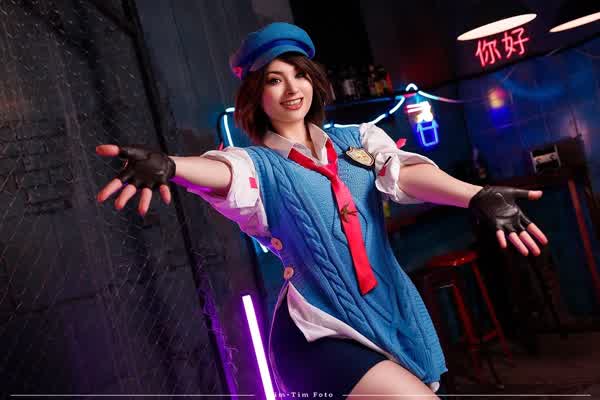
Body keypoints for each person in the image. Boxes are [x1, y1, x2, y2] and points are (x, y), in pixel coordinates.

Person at [95, 22, 548, 400]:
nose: (292, 88)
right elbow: (223, 174)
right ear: (256, 94)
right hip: (317, 332)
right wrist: (173, 167)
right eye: (274, 79)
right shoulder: (257, 165)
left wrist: (475, 194)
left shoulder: (359, 140)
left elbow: (404, 174)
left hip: (388, 313)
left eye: (300, 74)